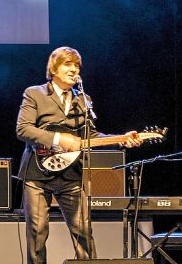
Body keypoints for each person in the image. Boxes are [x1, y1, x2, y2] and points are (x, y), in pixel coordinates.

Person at [15, 47, 142, 264]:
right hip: (37, 176)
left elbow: (90, 136)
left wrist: (120, 139)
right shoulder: (34, 93)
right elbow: (23, 129)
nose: (74, 70)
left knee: (83, 232)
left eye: (77, 66)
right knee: (37, 233)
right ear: (53, 68)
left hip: (71, 175)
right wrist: (58, 139)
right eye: (68, 64)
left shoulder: (83, 99)